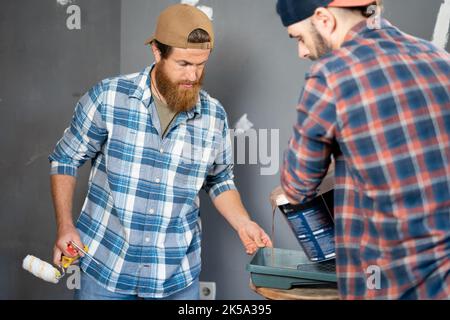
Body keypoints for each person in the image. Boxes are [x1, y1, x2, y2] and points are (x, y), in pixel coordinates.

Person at [49, 3, 272, 300]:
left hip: (175, 278)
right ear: (157, 51)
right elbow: (65, 159)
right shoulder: (108, 98)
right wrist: (65, 226)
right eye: (183, 64)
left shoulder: (213, 116)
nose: (193, 76)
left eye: (201, 64)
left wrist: (243, 222)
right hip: (106, 269)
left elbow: (219, 180)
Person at [276, 0, 449, 299]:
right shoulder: (440, 58)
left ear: (323, 19)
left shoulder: (332, 75)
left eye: (300, 38)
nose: (302, 52)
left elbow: (297, 187)